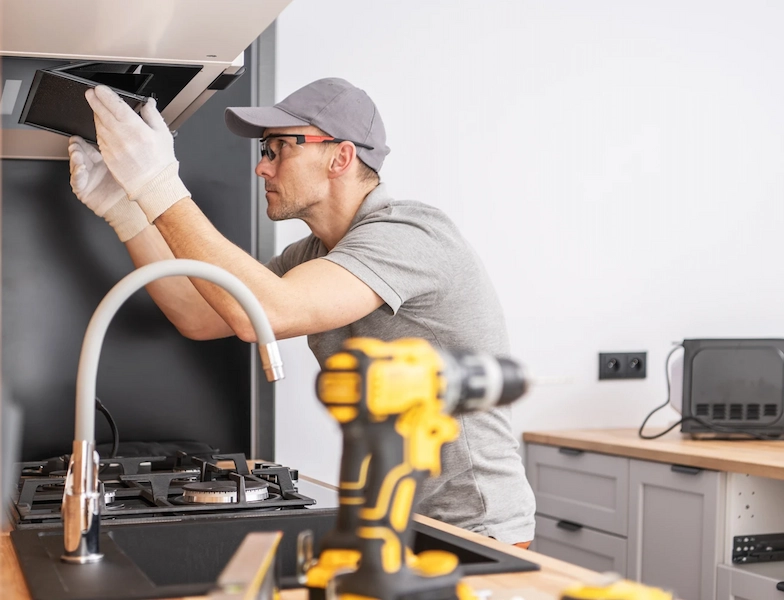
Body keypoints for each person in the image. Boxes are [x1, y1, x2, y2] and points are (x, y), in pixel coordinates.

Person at [69, 77, 536, 547]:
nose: (261, 168)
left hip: (473, 526)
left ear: (341, 157)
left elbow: (267, 312)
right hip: (392, 523)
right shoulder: (311, 254)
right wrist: (125, 212)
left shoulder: (411, 232)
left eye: (276, 149)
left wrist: (157, 186)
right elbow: (200, 313)